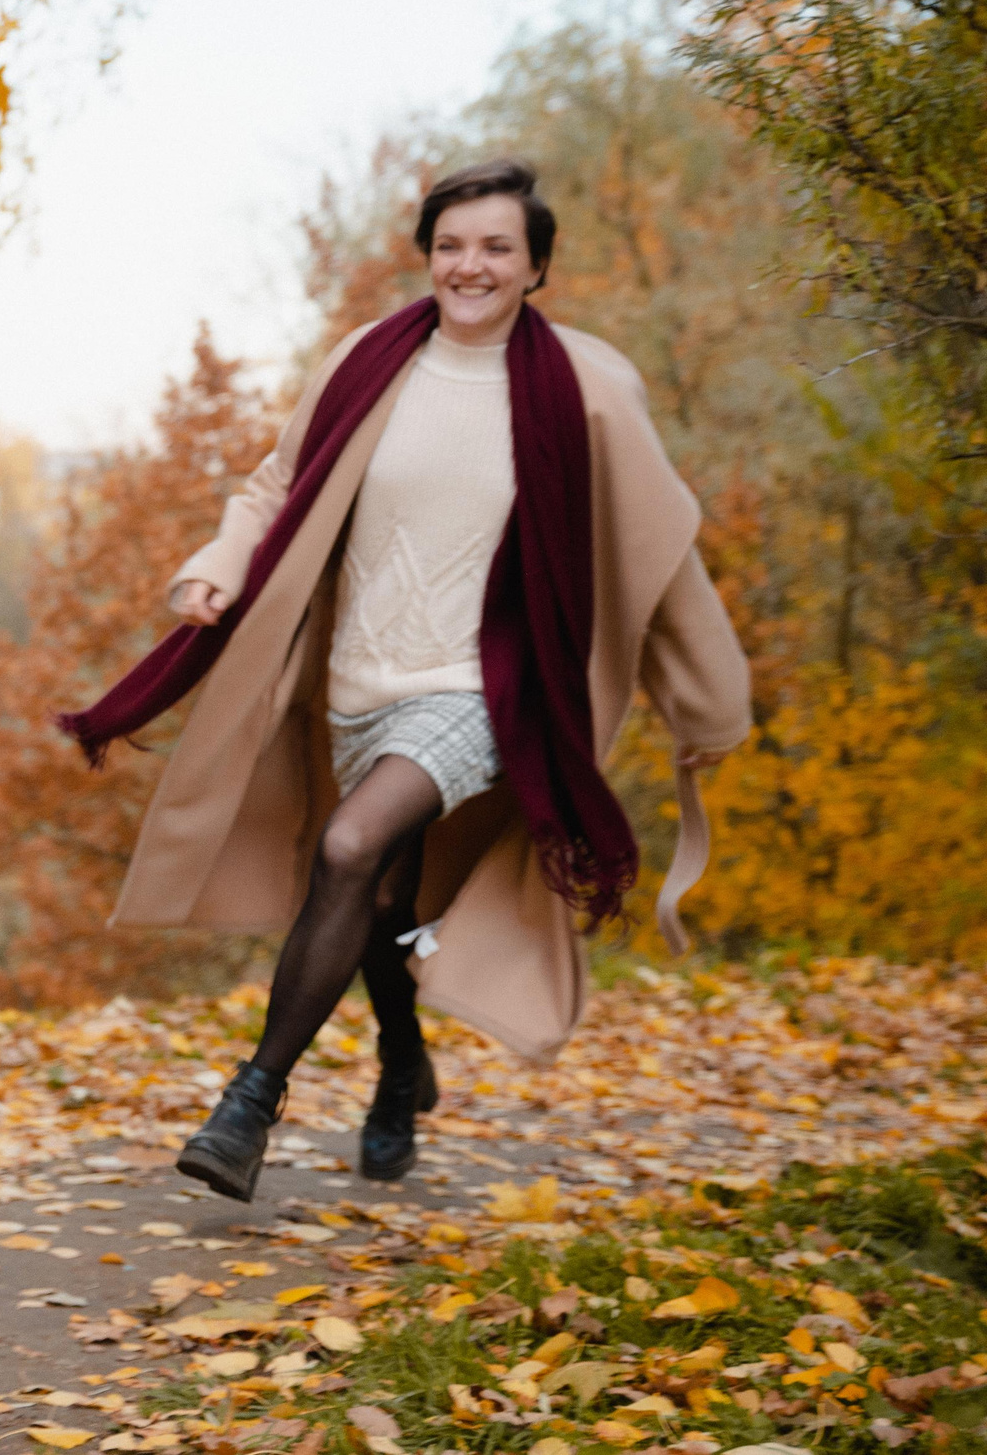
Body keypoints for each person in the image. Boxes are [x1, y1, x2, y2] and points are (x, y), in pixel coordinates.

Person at [57, 159, 751, 1202]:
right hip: (356, 675)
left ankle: (249, 1100)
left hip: (482, 685)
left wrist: (709, 700)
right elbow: (277, 482)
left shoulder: (588, 388)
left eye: (496, 247)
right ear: (430, 255)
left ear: (535, 266)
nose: (470, 265)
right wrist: (217, 561)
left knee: (348, 843)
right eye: (451, 245)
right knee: (377, 889)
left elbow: (661, 551)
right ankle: (398, 1067)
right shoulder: (368, 360)